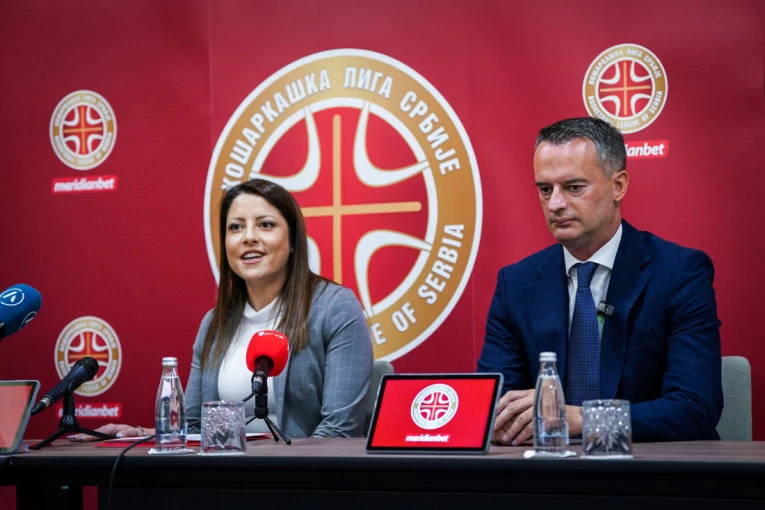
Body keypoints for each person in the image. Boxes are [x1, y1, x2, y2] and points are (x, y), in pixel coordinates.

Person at [477, 117, 722, 445]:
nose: (555, 204)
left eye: (573, 187)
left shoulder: (679, 273)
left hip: (649, 467)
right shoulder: (516, 284)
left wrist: (585, 419)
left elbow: (695, 408)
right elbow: (494, 404)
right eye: (545, 189)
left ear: (617, 185)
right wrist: (498, 419)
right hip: (547, 469)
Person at [75, 179, 373, 440]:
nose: (248, 237)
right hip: (225, 476)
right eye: (236, 227)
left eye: (265, 224)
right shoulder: (215, 324)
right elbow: (194, 427)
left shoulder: (334, 308)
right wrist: (139, 433)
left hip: (305, 480)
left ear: (293, 240)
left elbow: (339, 431)